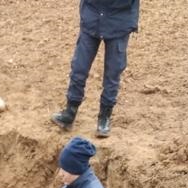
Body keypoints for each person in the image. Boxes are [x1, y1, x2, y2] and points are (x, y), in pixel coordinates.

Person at [51, 0, 140, 137]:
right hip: (92, 18)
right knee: (79, 67)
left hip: (119, 22)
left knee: (113, 73)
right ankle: (70, 111)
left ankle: (104, 118)